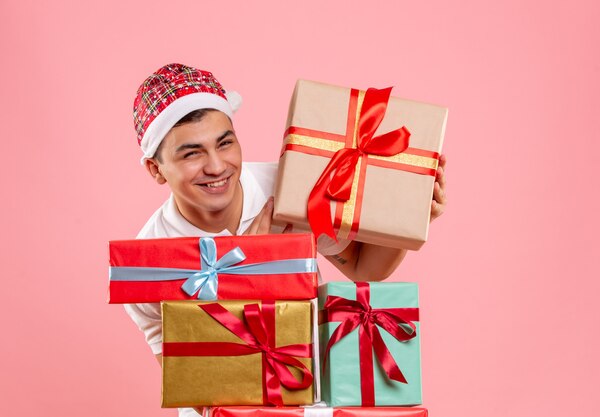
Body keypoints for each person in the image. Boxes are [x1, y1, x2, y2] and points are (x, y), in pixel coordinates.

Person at [124, 63, 447, 417]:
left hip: (311, 397)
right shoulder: (147, 264)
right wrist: (238, 275)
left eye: (225, 143)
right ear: (156, 170)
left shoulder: (289, 190)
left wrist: (406, 218)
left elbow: (362, 267)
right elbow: (198, 392)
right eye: (191, 153)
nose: (217, 166)